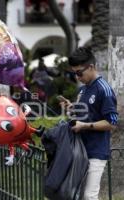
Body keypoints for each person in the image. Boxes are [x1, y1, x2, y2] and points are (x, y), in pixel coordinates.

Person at [61, 47, 118, 200]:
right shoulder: (83, 90)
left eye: (79, 72)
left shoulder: (104, 90)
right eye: (74, 73)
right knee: (78, 194)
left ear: (91, 67)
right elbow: (85, 114)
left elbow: (112, 123)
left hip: (96, 151)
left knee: (89, 196)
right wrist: (72, 108)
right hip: (80, 150)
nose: (77, 77)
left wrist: (85, 126)